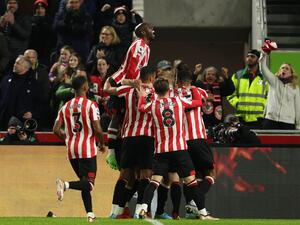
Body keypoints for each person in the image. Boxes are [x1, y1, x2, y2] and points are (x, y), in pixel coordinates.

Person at [137, 77, 211, 220]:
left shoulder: (152, 105)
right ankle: (203, 213)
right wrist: (193, 88)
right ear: (168, 90)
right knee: (191, 181)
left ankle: (143, 208)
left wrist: (141, 96)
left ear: (156, 91)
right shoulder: (178, 101)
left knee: (154, 182)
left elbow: (141, 107)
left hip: (161, 150)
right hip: (179, 150)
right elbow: (198, 102)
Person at [104, 66, 156, 218]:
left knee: (125, 175)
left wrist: (113, 77)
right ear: (152, 78)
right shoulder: (156, 93)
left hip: (129, 137)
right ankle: (140, 211)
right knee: (145, 174)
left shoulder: (127, 90)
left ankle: (114, 211)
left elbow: (107, 89)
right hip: (147, 137)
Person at [53, 75, 105, 222]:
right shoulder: (91, 105)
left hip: (72, 151)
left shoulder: (65, 106)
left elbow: (55, 129)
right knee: (89, 184)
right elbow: (98, 129)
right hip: (87, 149)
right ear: (85, 87)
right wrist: (102, 143)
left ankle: (90, 214)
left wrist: (68, 139)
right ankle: (65, 185)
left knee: (84, 182)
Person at [176, 63, 218, 220]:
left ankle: (190, 211)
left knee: (190, 177)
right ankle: (195, 202)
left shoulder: (172, 94)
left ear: (178, 81)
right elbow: (208, 99)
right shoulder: (198, 91)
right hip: (197, 138)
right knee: (211, 172)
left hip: (181, 142)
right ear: (190, 80)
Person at [260, 41, 300, 130]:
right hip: (270, 120)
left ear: (291, 73)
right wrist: (264, 54)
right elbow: (263, 68)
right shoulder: (273, 81)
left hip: (287, 123)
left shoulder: (295, 88)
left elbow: (298, 107)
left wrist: (298, 125)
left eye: (287, 68)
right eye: (282, 68)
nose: (284, 69)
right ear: (279, 71)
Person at [227, 50, 268, 129]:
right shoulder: (238, 75)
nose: (249, 58)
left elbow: (270, 96)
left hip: (259, 118)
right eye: (248, 56)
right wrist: (237, 104)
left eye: (252, 56)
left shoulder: (265, 77)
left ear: (258, 59)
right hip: (241, 117)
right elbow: (230, 93)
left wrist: (263, 105)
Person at [0, 55, 40, 130]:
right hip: (3, 120)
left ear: (26, 68)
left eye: (18, 63)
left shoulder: (33, 84)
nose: (14, 65)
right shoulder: (6, 79)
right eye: (15, 62)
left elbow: (40, 102)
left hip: (21, 123)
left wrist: (32, 113)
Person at [24, 49, 51, 130]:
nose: (30, 59)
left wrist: (34, 112)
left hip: (37, 109)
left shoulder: (42, 72)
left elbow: (45, 93)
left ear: (36, 59)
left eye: (33, 57)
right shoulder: (19, 71)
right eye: (28, 57)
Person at [0, 0, 32, 68]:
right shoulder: (3, 16)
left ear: (18, 4)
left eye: (14, 3)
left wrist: (13, 23)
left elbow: (26, 35)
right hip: (3, 55)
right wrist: (1, 26)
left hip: (16, 56)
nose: (12, 5)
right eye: (9, 3)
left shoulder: (25, 17)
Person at [29, 0, 55, 67]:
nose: (40, 10)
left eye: (42, 8)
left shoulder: (50, 21)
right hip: (32, 50)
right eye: (38, 8)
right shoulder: (31, 20)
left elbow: (52, 36)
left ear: (45, 9)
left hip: (45, 53)